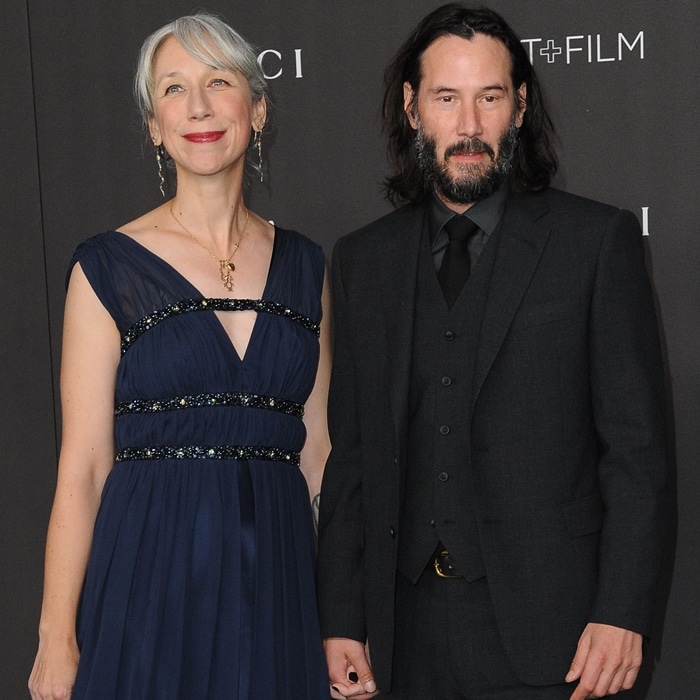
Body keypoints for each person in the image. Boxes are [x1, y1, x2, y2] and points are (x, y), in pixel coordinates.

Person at [316, 4, 667, 699]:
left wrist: (622, 613)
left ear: (522, 105)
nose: (469, 124)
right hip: (403, 638)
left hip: (560, 639)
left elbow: (637, 454)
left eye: (490, 97)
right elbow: (351, 459)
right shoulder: (364, 262)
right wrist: (342, 618)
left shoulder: (594, 244)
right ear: (414, 108)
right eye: (447, 98)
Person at [29, 13, 331, 700]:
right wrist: (56, 636)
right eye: (173, 89)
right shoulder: (106, 267)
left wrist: (345, 617)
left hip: (279, 581)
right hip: (148, 577)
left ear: (256, 108)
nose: (197, 107)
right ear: (153, 124)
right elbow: (82, 466)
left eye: (218, 82)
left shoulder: (307, 266)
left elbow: (319, 455)